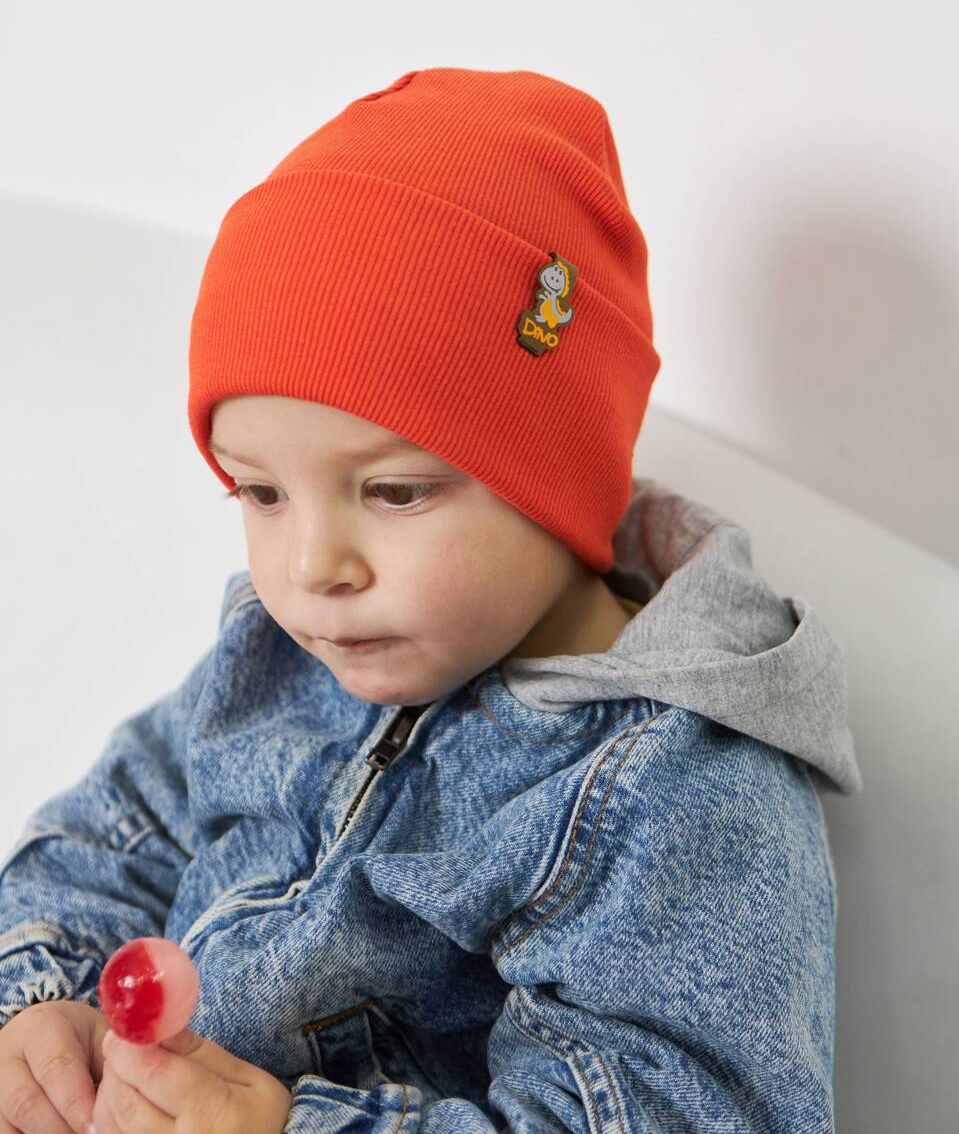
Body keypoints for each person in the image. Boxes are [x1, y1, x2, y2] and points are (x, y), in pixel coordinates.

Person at [0, 66, 863, 1134]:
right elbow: (106, 838)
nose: (312, 566)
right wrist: (42, 1005)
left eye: (395, 492)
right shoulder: (279, 656)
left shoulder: (676, 794)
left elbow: (667, 1114)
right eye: (260, 493)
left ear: (556, 481)